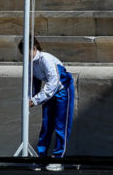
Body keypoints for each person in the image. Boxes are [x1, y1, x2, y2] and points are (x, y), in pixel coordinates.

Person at [19, 38, 75, 172]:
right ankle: (41, 158)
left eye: (26, 51)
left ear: (34, 48)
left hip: (63, 89)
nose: (25, 56)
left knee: (61, 125)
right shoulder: (30, 63)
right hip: (50, 92)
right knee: (46, 125)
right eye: (22, 53)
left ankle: (58, 159)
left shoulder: (46, 59)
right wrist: (29, 98)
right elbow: (33, 83)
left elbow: (53, 83)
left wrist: (36, 100)